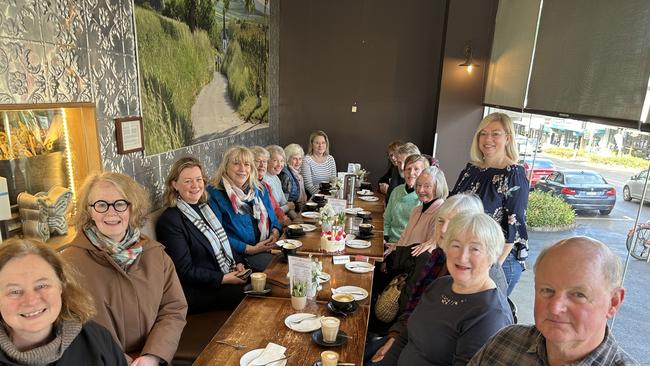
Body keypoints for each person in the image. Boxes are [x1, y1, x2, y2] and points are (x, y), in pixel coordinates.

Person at [63, 172, 187, 366]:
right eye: (101, 205)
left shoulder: (156, 254)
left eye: (120, 204)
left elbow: (173, 309)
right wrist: (121, 360)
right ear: (89, 211)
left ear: (132, 207)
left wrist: (153, 356)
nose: (111, 213)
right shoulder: (69, 264)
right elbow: (71, 326)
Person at [369, 194, 508, 364]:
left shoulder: (490, 314)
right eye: (456, 245)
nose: (462, 257)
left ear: (492, 255)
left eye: (475, 249)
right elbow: (407, 336)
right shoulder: (440, 285)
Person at [468, 236, 639, 366]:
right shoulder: (505, 342)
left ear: (613, 302)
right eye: (547, 290)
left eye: (578, 294)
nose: (556, 307)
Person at [0, 238, 127, 365]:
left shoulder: (97, 339)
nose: (31, 301)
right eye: (14, 291)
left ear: (61, 285)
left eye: (42, 285)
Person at [450, 112, 529, 296]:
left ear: (508, 138)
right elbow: (452, 207)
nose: (488, 139)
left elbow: (513, 230)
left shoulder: (513, 175)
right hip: (469, 255)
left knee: (487, 316)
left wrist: (491, 269)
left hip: (500, 259)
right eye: (483, 133)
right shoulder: (471, 170)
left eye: (496, 133)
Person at [156, 157, 247, 314]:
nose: (195, 186)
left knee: (263, 282)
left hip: (224, 274)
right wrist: (224, 278)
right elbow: (184, 270)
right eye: (188, 181)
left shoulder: (205, 206)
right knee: (252, 296)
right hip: (198, 291)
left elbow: (223, 241)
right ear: (174, 184)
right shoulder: (170, 220)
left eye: (198, 179)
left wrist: (238, 263)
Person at [207, 145, 282, 272]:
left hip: (269, 246)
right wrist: (250, 249)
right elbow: (216, 234)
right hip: (241, 255)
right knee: (281, 270)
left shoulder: (259, 189)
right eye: (236, 163)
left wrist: (275, 232)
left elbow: (273, 218)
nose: (242, 169)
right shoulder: (213, 194)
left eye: (247, 164)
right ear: (225, 167)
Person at [384, 154, 429, 244]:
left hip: (409, 246)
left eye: (416, 169)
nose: (411, 173)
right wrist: (384, 237)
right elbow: (386, 220)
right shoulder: (396, 191)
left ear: (424, 173)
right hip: (389, 242)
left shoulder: (425, 197)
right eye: (408, 169)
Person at [251, 146, 291, 226]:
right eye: (258, 161)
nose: (262, 165)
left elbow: (277, 207)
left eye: (264, 161)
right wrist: (280, 223)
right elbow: (267, 214)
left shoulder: (269, 182)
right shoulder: (259, 183)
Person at [264, 145, 297, 221]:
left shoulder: (276, 178)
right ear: (267, 162)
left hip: (282, 217)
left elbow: (284, 203)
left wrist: (297, 219)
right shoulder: (264, 181)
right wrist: (288, 207)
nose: (279, 165)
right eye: (275, 161)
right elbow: (272, 212)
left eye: (282, 161)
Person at [301, 130, 337, 196]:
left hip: (330, 195)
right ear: (312, 144)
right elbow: (308, 186)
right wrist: (322, 196)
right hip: (314, 197)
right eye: (317, 143)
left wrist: (332, 195)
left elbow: (333, 182)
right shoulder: (306, 160)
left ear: (326, 144)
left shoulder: (330, 159)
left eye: (323, 143)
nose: (320, 145)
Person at [278, 143, 308, 211]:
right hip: (293, 211)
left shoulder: (297, 173)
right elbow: (285, 203)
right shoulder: (285, 175)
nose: (298, 162)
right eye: (295, 159)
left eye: (300, 159)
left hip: (301, 207)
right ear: (287, 159)